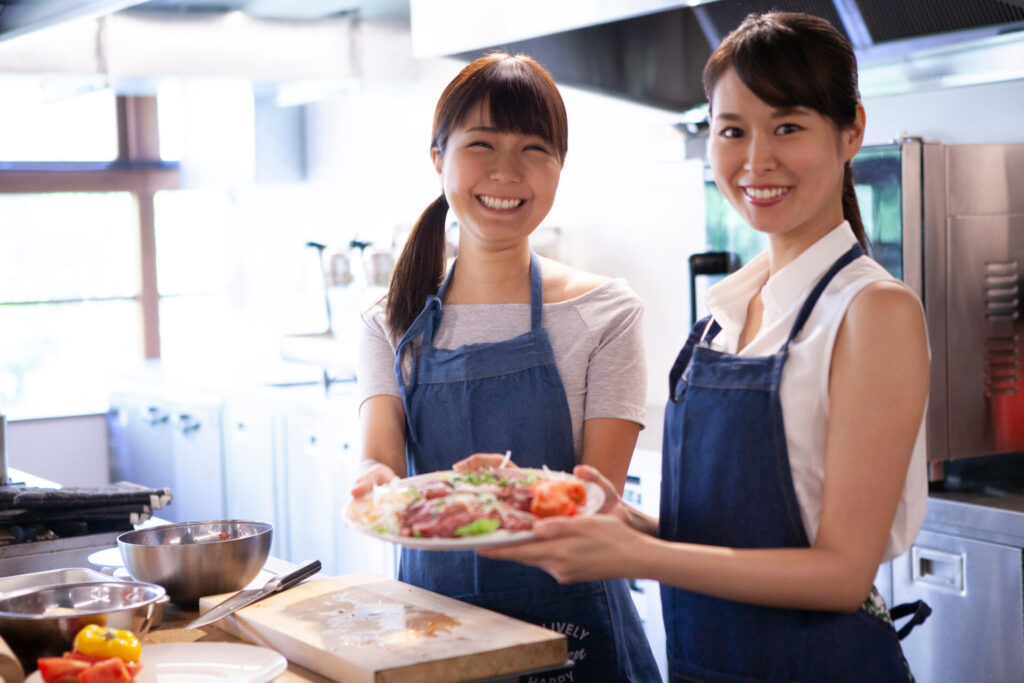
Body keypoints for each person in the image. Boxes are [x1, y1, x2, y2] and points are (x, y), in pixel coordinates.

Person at [483, 12, 931, 682]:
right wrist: (616, 517)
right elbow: (740, 541)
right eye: (732, 131)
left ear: (851, 131)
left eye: (788, 126)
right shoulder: (727, 312)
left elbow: (841, 573)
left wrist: (632, 556)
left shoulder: (873, 310)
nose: (756, 160)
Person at [351, 52, 661, 682]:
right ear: (438, 157)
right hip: (431, 627)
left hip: (572, 634)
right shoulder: (390, 320)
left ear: (559, 167)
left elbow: (592, 498)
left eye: (533, 148)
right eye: (482, 144)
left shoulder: (608, 313)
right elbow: (379, 459)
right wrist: (370, 484)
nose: (506, 171)